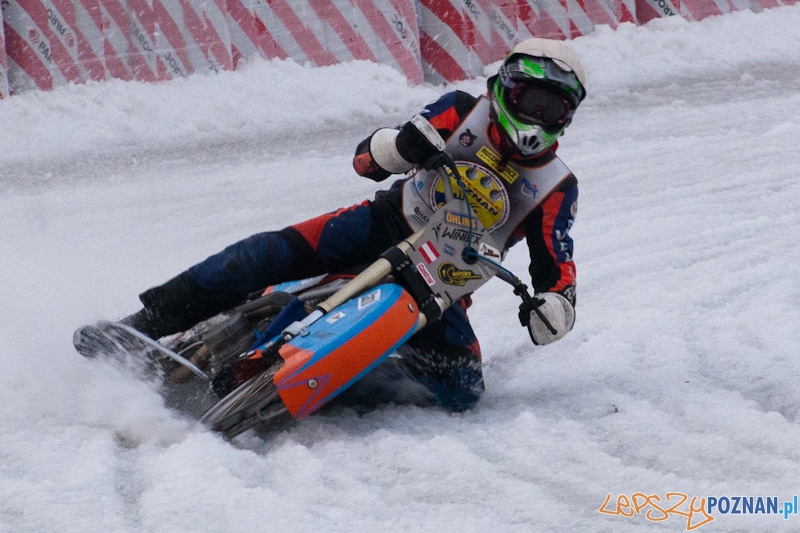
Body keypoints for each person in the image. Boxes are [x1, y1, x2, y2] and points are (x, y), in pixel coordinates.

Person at [88, 38, 585, 413]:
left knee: (462, 393)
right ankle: (142, 328)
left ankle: (339, 379)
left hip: (443, 283)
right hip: (381, 224)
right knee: (259, 255)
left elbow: (555, 265)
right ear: (503, 90)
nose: (536, 116)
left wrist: (554, 305)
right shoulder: (459, 110)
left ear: (567, 116)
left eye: (552, 107)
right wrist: (397, 147)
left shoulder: (555, 186)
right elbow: (366, 160)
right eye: (528, 100)